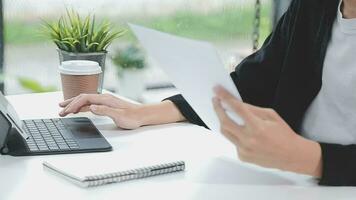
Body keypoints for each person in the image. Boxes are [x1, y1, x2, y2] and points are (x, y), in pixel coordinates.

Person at [59, 0, 356, 186]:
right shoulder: (314, 7)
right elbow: (252, 82)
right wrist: (143, 112)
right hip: (296, 182)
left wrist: (308, 158)